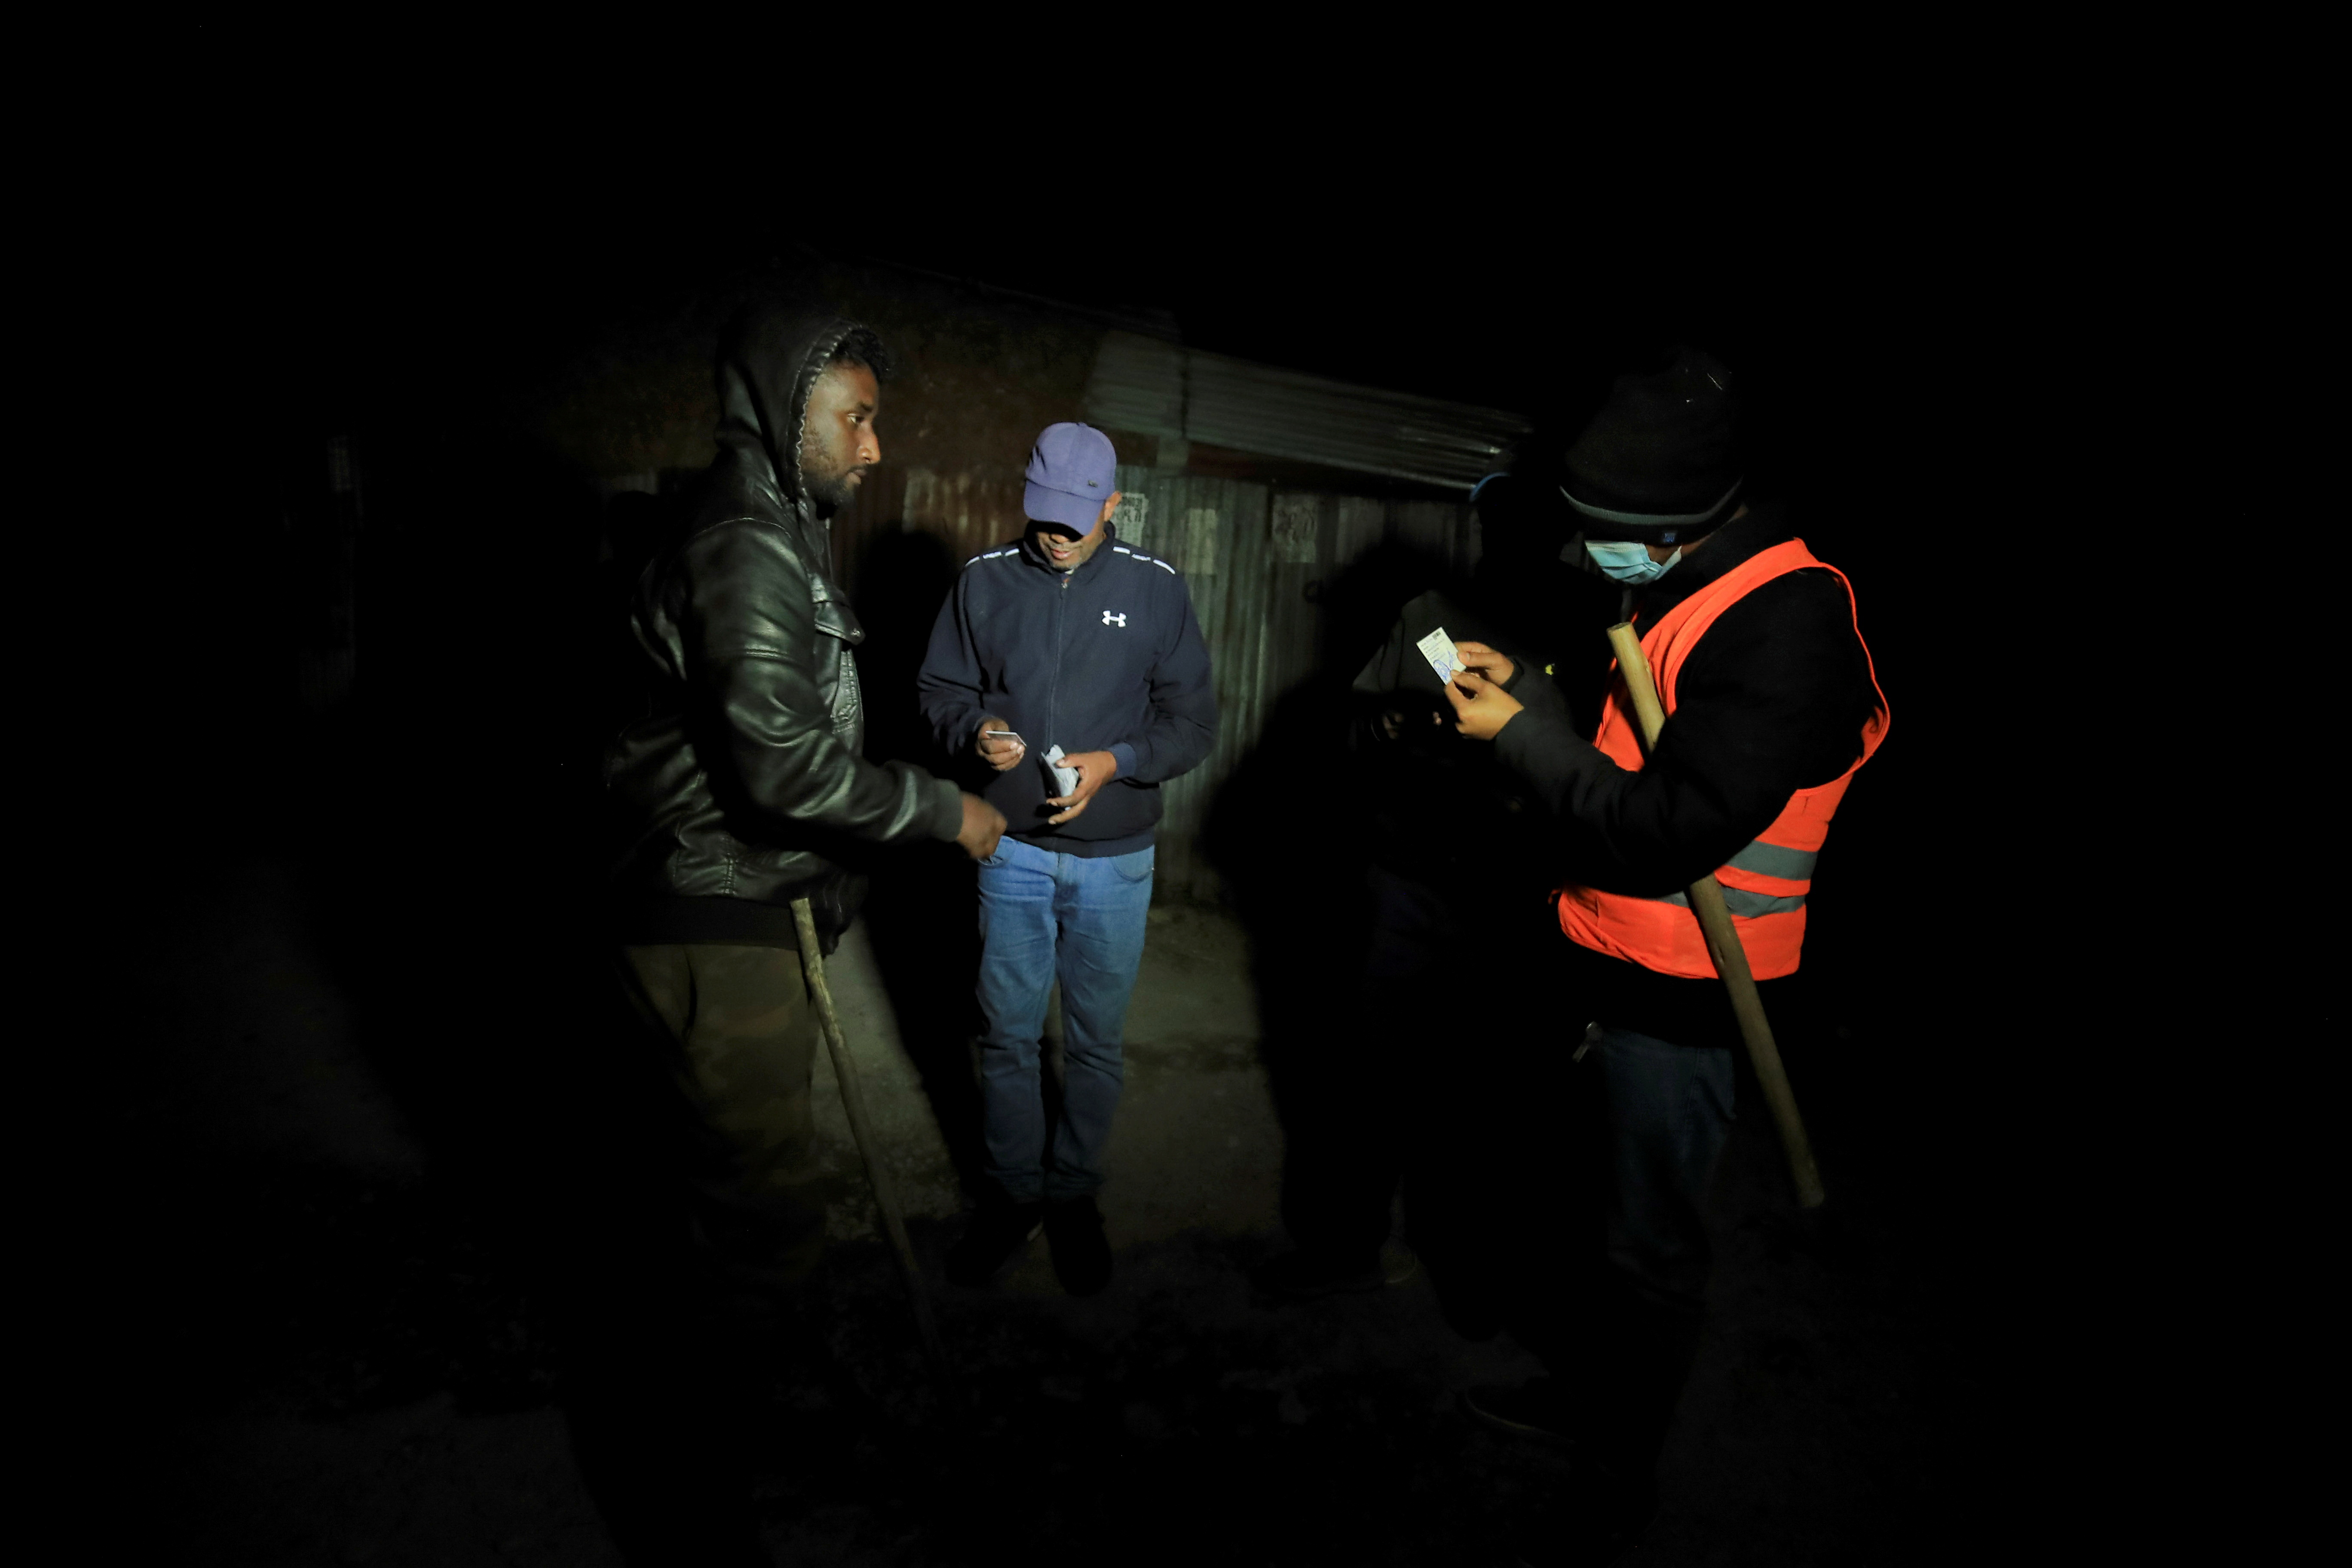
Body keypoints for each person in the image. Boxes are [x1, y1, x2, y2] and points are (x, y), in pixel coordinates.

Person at [1439, 349, 1889, 1565]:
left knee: (1649, 1253)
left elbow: (1669, 828)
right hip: (1597, 962)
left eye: (1609, 538)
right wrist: (1529, 695)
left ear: (1691, 517)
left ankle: (1621, 1469)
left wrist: (1516, 742)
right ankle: (1583, 1393)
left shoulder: (1794, 625)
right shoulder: (1688, 580)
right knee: (1579, 1216)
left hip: (1690, 1001)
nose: (1589, 560)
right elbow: (1628, 733)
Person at [603, 300, 1008, 1303]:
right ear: (787, 417)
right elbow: (780, 766)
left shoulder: (776, 525)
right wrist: (943, 810)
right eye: (855, 419)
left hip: (725, 894)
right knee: (760, 1221)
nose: (875, 446)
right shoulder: (748, 543)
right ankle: (730, 1441)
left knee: (707, 1189)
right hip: (718, 912)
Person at [916, 422, 1217, 1295]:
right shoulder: (981, 584)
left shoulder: (1157, 590)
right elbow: (938, 691)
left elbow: (1193, 723)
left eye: (1077, 518)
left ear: (1114, 505)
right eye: (1043, 515)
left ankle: (1076, 1194)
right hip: (1009, 852)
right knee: (1006, 1037)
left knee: (1093, 1042)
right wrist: (977, 730)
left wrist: (1116, 762)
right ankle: (1015, 1198)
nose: (1056, 533)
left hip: (1115, 859)